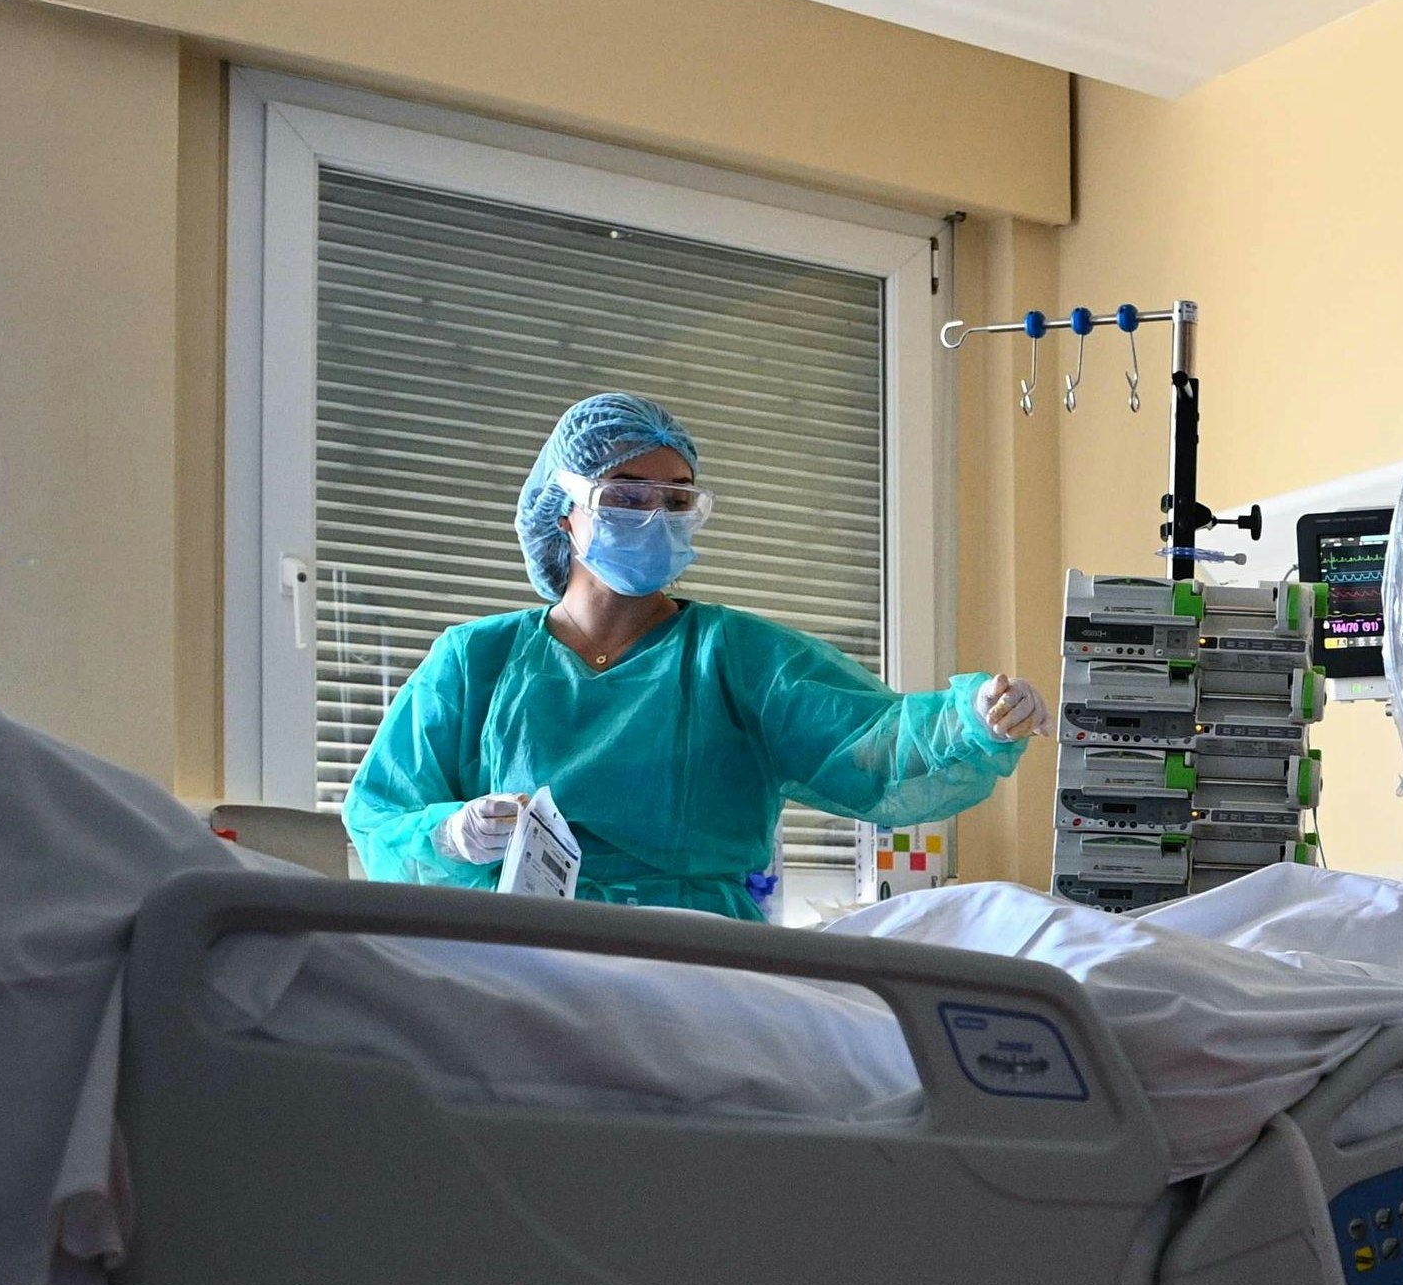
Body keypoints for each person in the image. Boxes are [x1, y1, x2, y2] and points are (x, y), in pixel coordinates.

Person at [343, 392, 1048, 919]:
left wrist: (971, 721)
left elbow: (875, 745)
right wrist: (453, 832)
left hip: (695, 961)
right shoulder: (476, 662)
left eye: (677, 500)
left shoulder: (736, 657)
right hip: (520, 956)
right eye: (625, 497)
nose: (655, 517)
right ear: (565, 514)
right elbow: (379, 817)